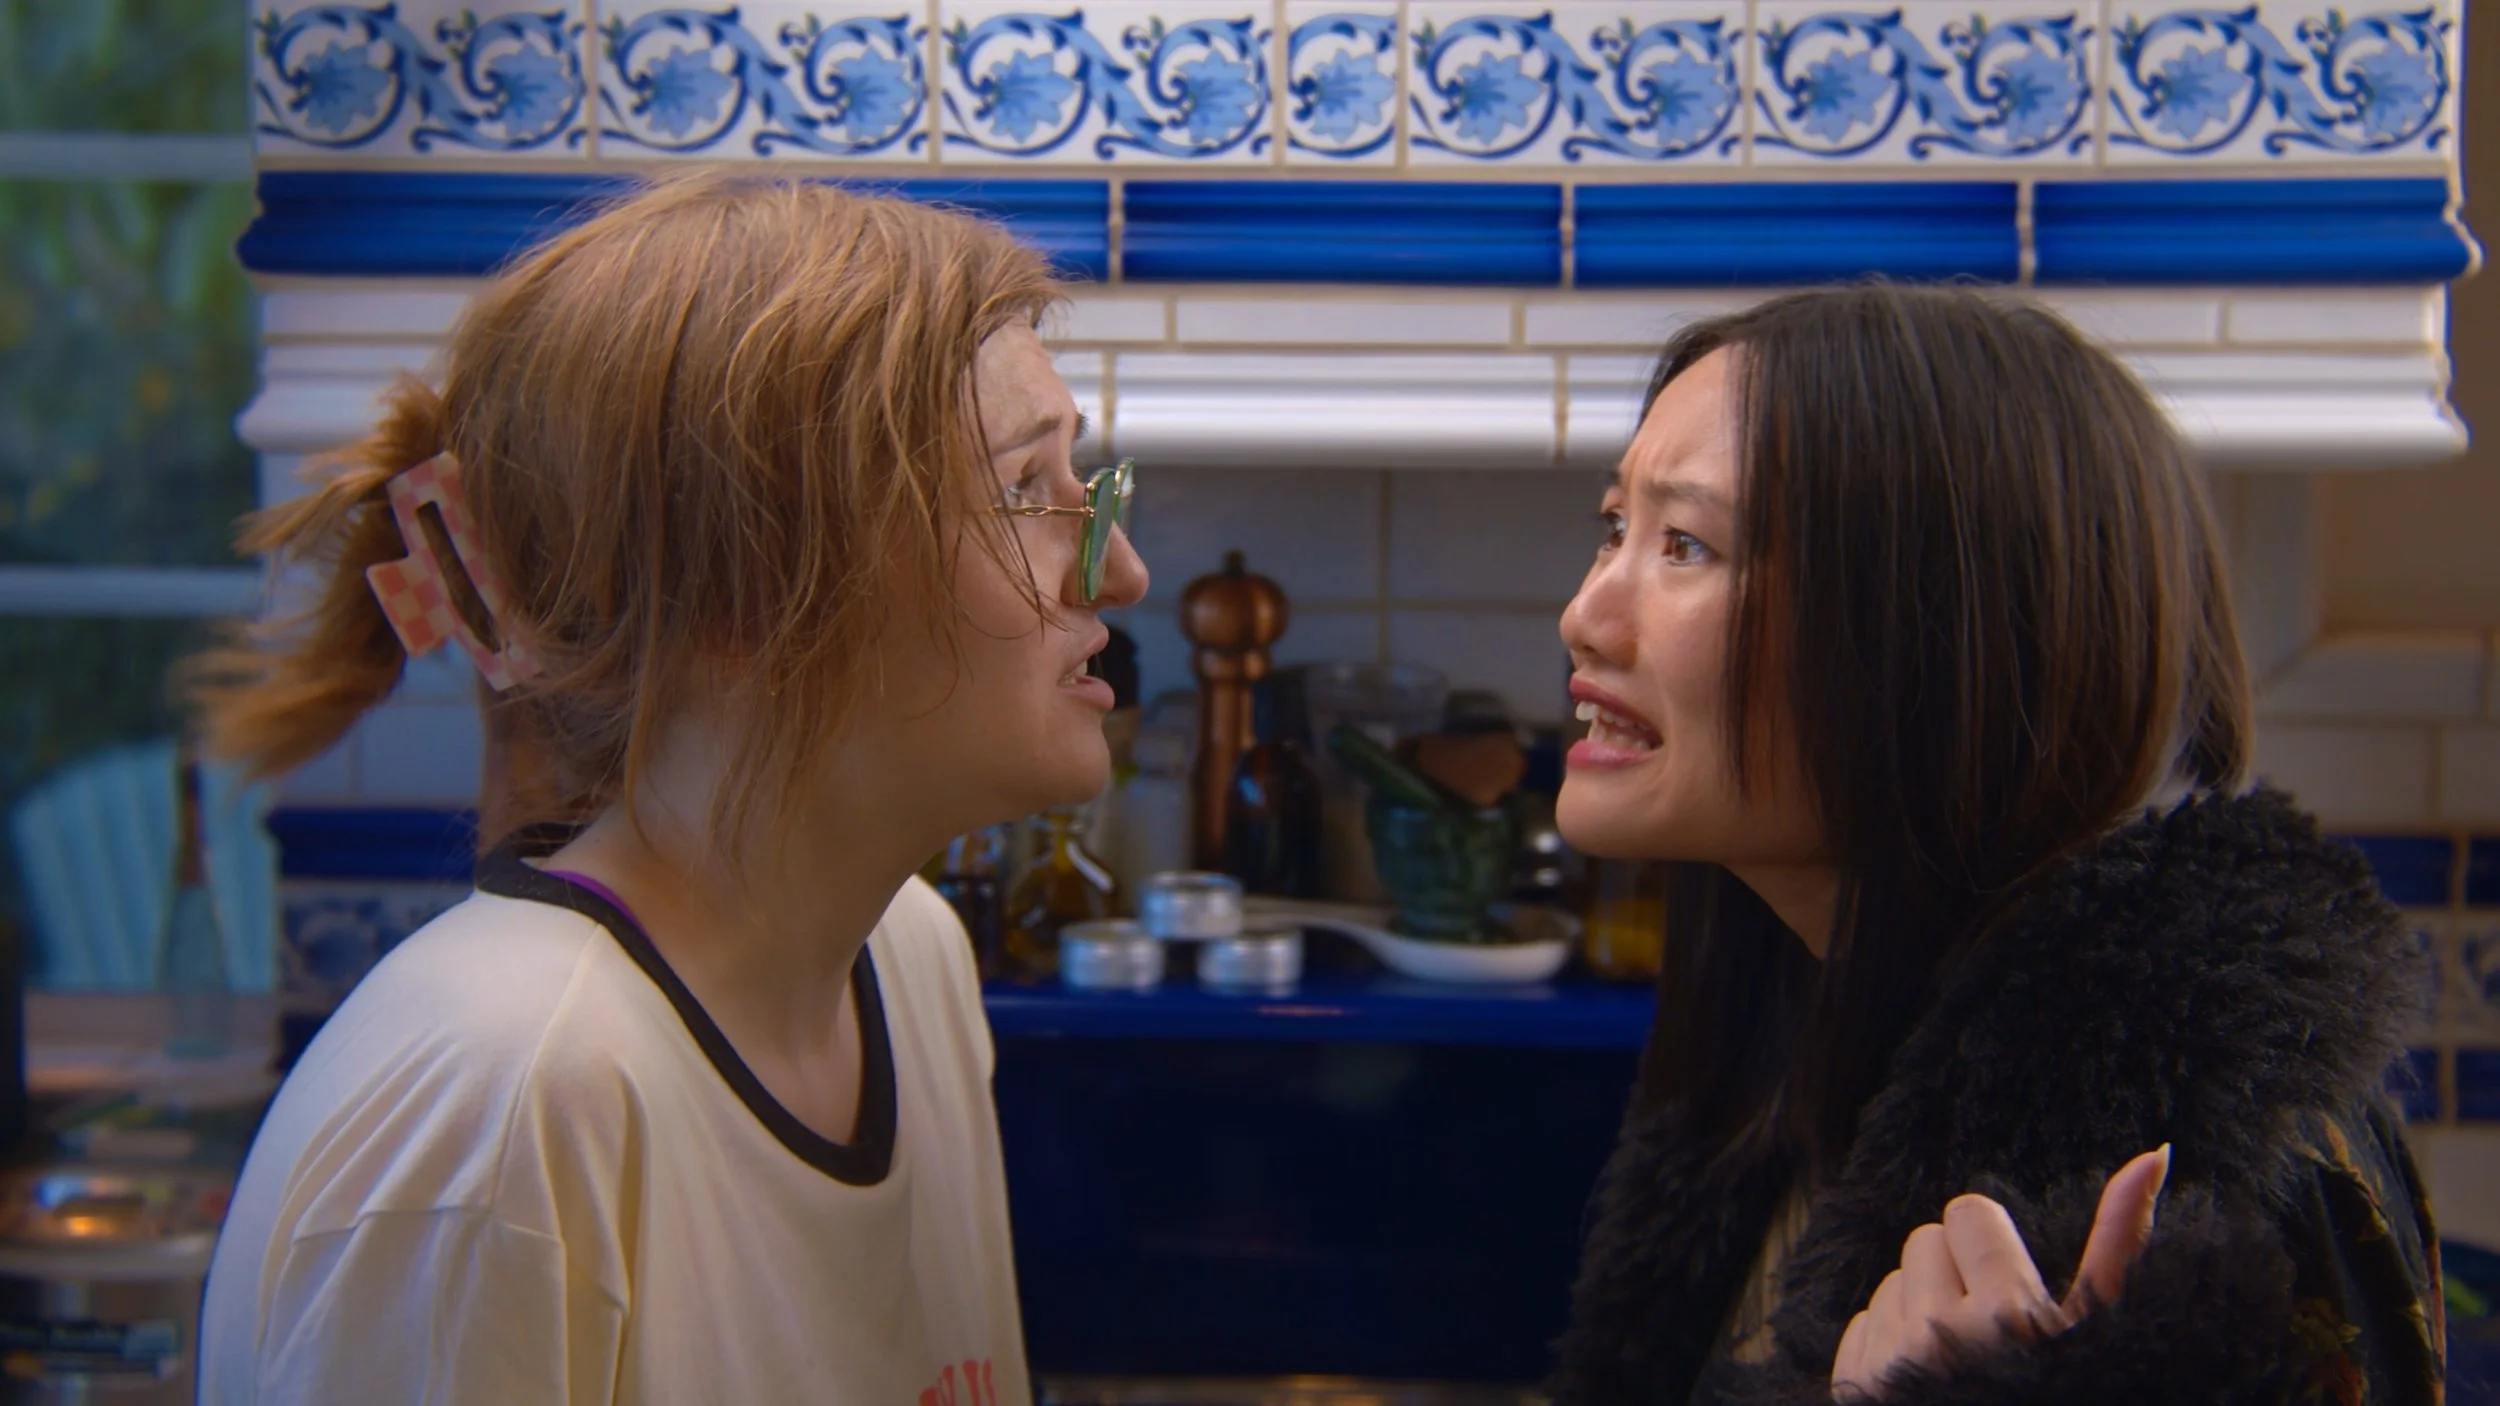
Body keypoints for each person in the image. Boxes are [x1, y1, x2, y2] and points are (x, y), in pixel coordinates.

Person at [188, 172, 1147, 1404]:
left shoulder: (908, 958)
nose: (1116, 568)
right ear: (745, 596)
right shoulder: (508, 1112)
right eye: (1024, 489)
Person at [1548, 285, 2442, 1404]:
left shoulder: (2204, 1186)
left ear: (1935, 644)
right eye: (1614, 528)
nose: (1587, 611)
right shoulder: (1786, 1029)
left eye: (1685, 543)